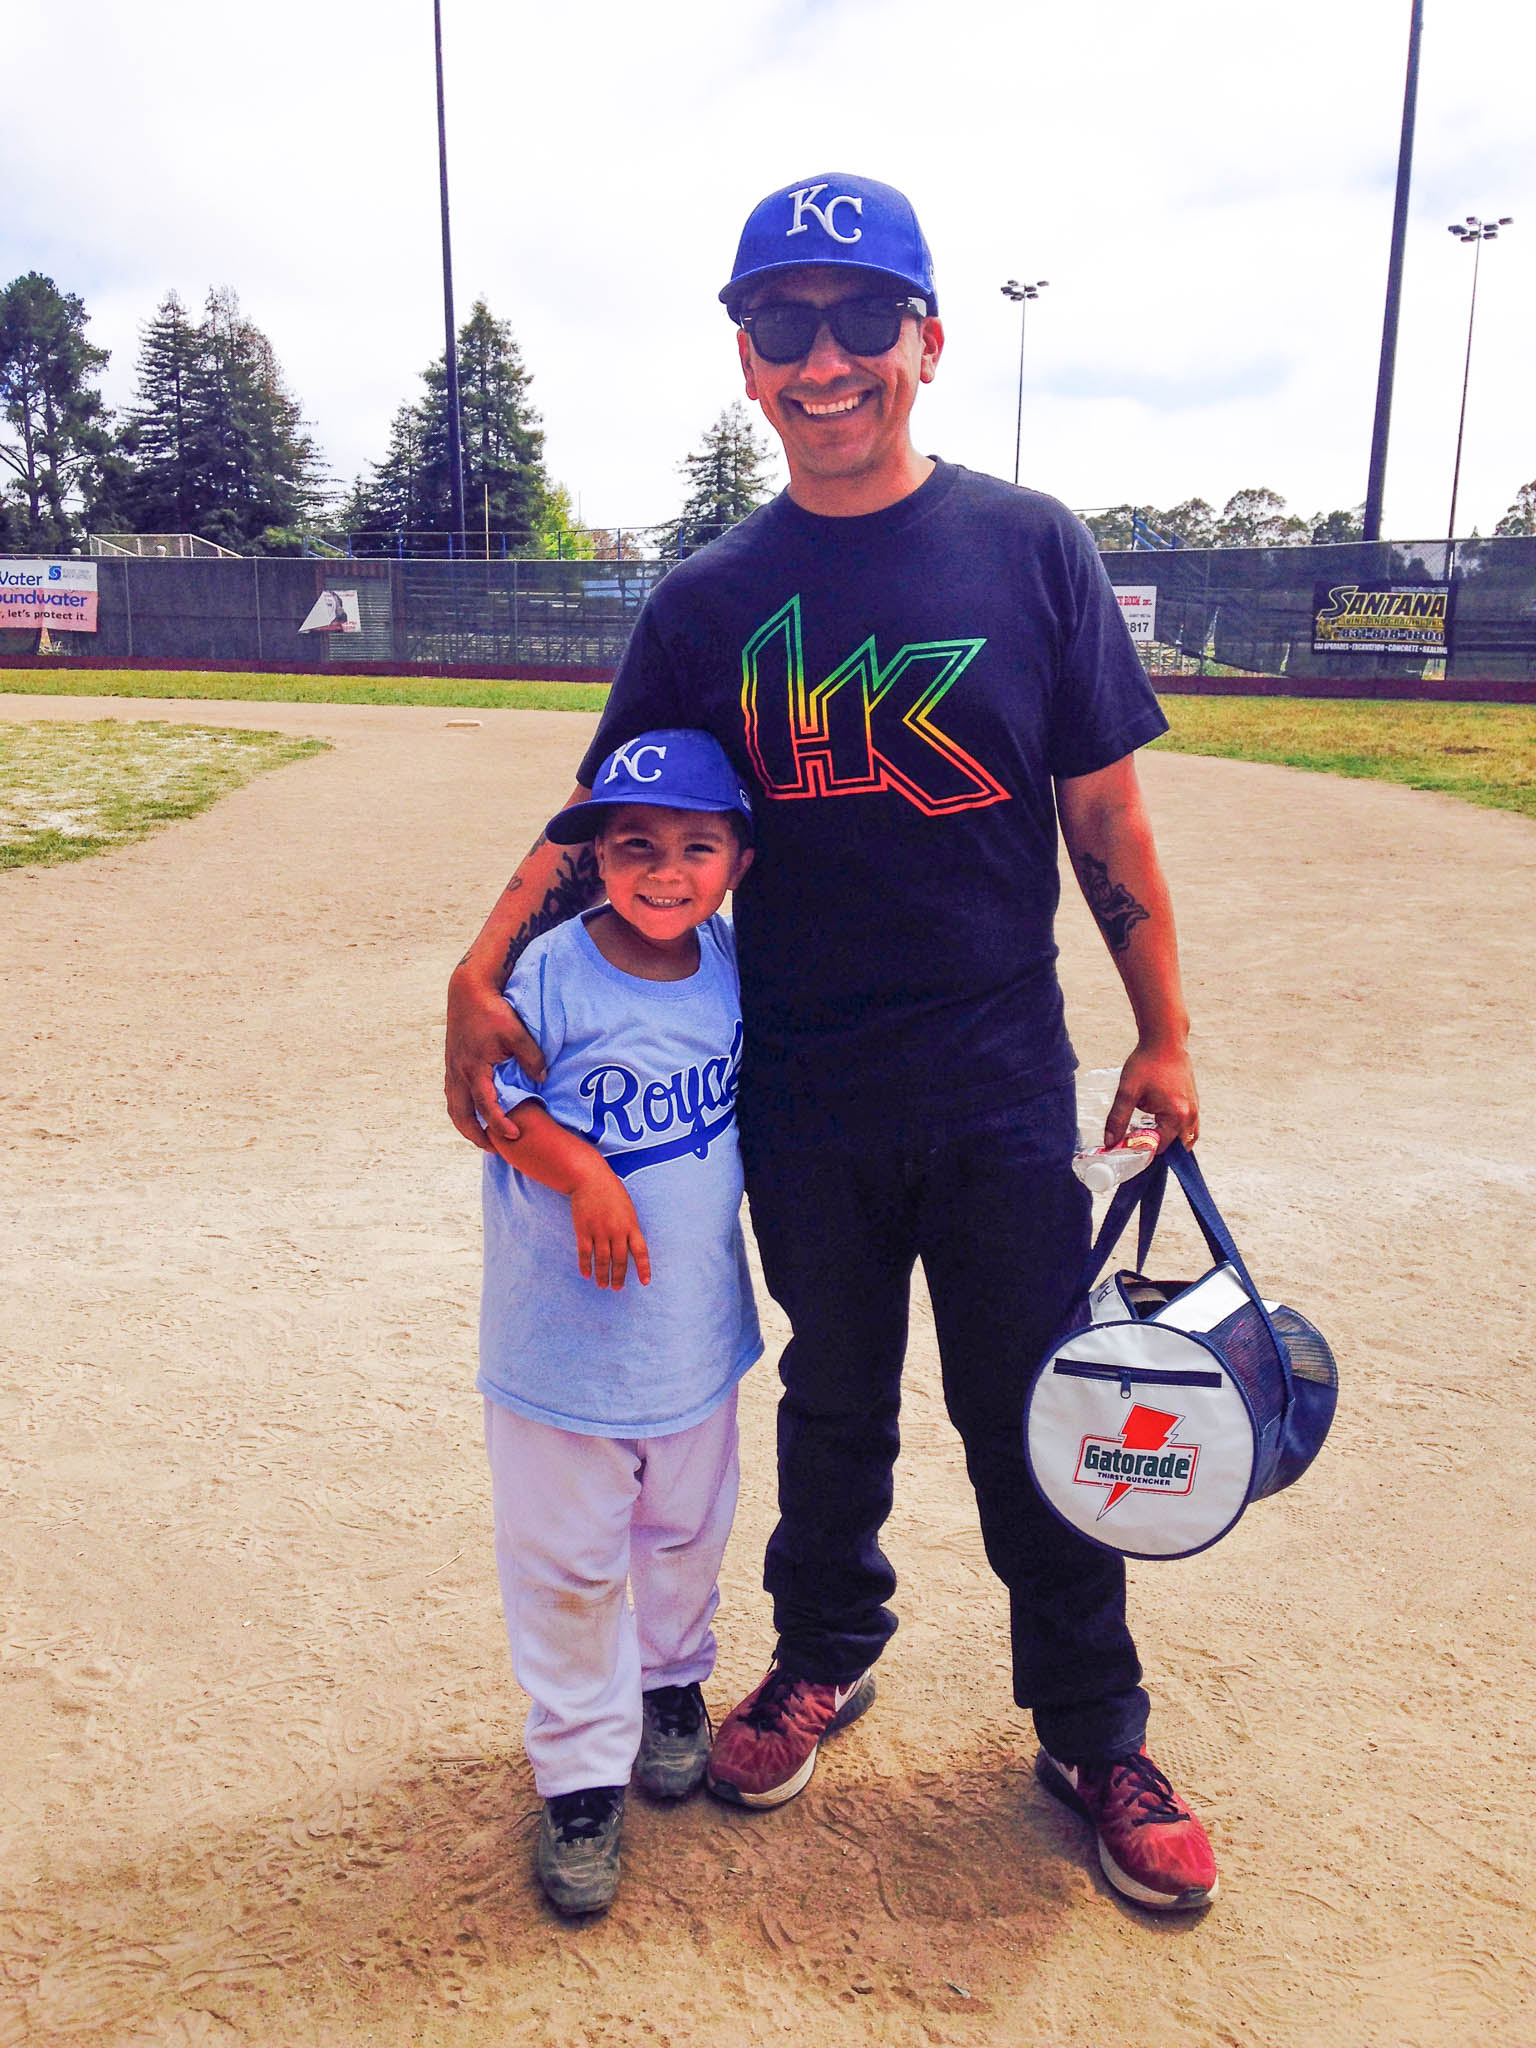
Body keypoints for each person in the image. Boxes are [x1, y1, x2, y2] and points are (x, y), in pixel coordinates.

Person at [447, 173, 1218, 1912]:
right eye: (783, 324)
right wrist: (476, 964)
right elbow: (600, 816)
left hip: (999, 1062)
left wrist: (1164, 1030)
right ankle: (822, 1648)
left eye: (862, 318)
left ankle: (1094, 1722)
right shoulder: (713, 599)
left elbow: (1104, 813)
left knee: (1035, 1396)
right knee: (832, 1393)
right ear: (746, 361)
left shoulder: (1030, 546)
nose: (825, 356)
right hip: (800, 1073)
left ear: (926, 342)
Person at [476, 728, 762, 1915]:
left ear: (737, 858)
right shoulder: (548, 970)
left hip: (694, 1338)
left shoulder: (736, 966)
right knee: (568, 1564)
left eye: (697, 845)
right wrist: (584, 1171)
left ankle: (674, 1683)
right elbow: (491, 1095)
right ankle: (580, 1773)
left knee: (687, 1529)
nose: (663, 869)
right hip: (560, 1349)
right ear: (591, 853)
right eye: (633, 843)